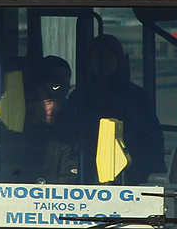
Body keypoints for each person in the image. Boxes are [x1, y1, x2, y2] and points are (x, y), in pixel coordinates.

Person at [67, 34, 165, 184]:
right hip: (86, 173)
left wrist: (153, 175)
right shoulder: (79, 96)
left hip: (131, 174)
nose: (102, 60)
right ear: (90, 60)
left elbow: (152, 139)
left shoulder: (136, 96)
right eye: (97, 55)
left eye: (108, 55)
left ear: (119, 59)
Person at [0, 56, 80, 184]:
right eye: (47, 103)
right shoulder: (9, 136)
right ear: (32, 103)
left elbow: (68, 183)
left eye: (59, 102)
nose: (54, 109)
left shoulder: (66, 141)